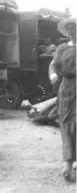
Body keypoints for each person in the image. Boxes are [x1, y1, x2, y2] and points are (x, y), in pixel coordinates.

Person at [49, 17, 76, 180]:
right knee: (65, 124)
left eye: (74, 28)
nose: (72, 31)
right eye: (69, 29)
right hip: (66, 88)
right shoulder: (62, 48)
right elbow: (54, 63)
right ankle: (68, 162)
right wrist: (53, 74)